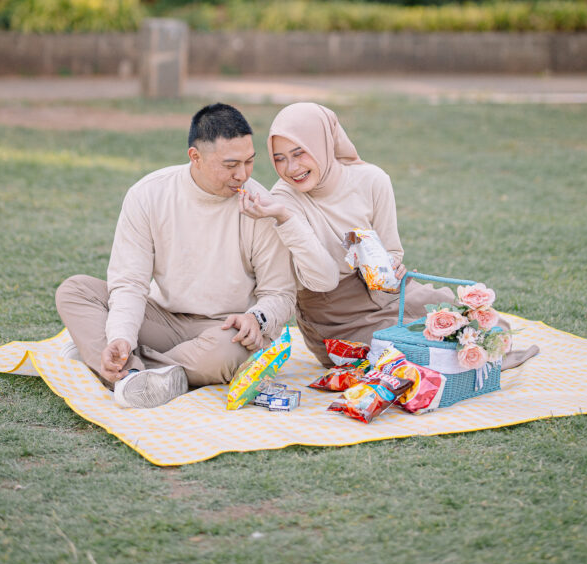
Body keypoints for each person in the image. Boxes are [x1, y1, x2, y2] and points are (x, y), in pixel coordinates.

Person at [239, 102, 537, 370]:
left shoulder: (372, 180)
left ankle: (476, 350)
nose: (291, 169)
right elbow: (324, 279)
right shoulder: (283, 201)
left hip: (386, 293)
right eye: (279, 159)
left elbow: (392, 250)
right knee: (417, 354)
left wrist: (393, 266)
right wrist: (286, 218)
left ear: (324, 144)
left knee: (485, 325)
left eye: (299, 153)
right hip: (335, 316)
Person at [56, 103, 296, 409]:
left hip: (222, 330)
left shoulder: (260, 204)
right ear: (195, 157)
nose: (243, 174)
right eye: (230, 164)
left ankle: (120, 368)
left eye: (250, 161)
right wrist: (121, 335)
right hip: (160, 319)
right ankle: (128, 363)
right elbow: (129, 282)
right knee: (75, 290)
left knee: (228, 354)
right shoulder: (149, 194)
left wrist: (257, 318)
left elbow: (280, 293)